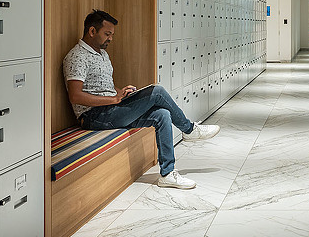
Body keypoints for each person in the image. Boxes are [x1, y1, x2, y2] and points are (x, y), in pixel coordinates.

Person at [63, 10, 219, 189]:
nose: (110, 39)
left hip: (110, 110)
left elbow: (105, 87)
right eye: (107, 34)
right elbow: (75, 96)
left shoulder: (102, 54)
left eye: (112, 35)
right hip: (94, 116)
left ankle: (167, 174)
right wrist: (114, 99)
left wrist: (122, 93)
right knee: (157, 91)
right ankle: (189, 130)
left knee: (162, 114)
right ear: (92, 31)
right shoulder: (77, 56)